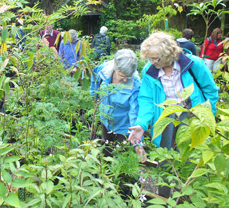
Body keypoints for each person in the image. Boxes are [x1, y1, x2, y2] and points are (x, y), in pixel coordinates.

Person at [128, 32, 218, 195]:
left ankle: (188, 196)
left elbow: (211, 92)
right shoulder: (150, 70)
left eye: (156, 58)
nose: (152, 62)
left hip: (193, 118)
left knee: (192, 158)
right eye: (150, 58)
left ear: (168, 54)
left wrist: (207, 119)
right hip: (166, 118)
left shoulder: (194, 64)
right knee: (166, 160)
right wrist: (142, 124)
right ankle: (163, 197)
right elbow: (146, 99)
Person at [90, 49, 143, 157]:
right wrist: (93, 95)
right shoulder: (103, 70)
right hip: (105, 119)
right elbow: (94, 77)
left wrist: (138, 144)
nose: (124, 80)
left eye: (127, 77)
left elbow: (135, 114)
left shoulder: (135, 84)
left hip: (123, 126)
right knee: (106, 149)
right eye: (121, 76)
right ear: (115, 67)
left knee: (121, 154)